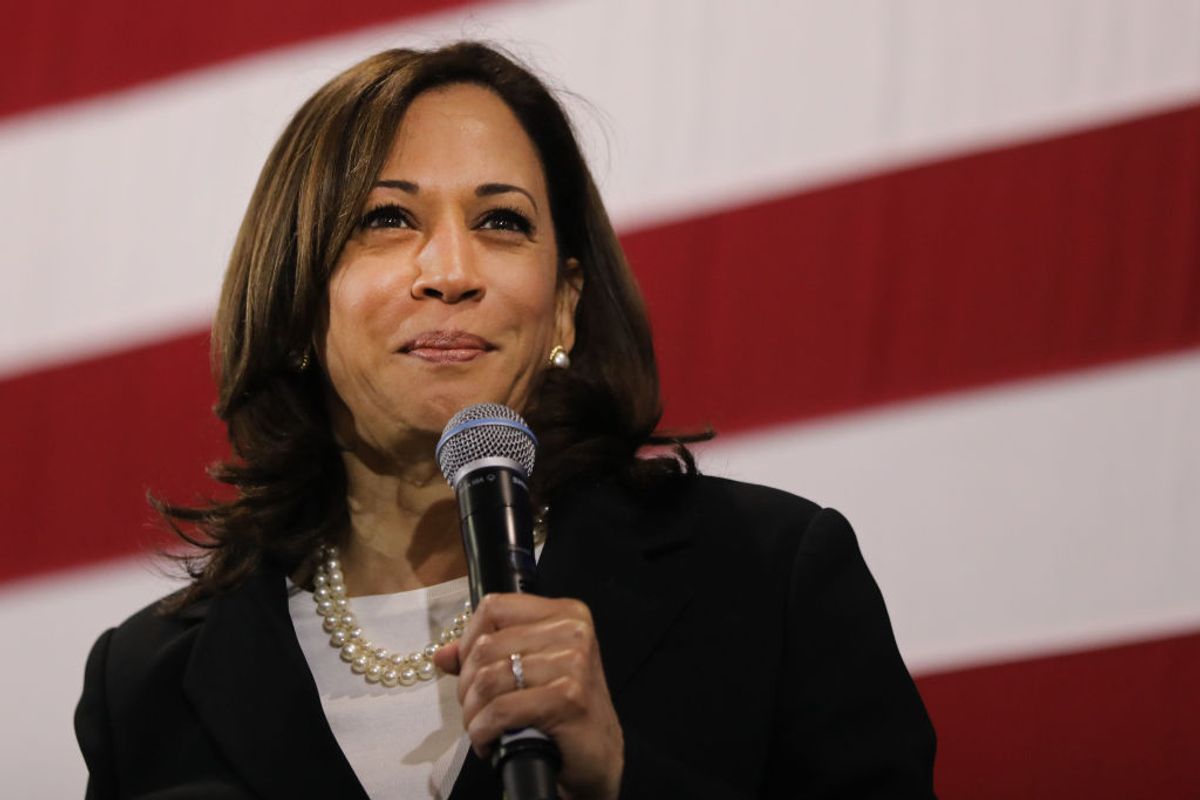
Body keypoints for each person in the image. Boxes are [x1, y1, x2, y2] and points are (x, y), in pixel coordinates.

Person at [75, 42, 936, 799]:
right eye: (387, 219)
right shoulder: (146, 680)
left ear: (564, 307)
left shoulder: (769, 577)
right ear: (297, 305)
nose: (452, 272)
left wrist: (618, 780)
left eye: (501, 221)